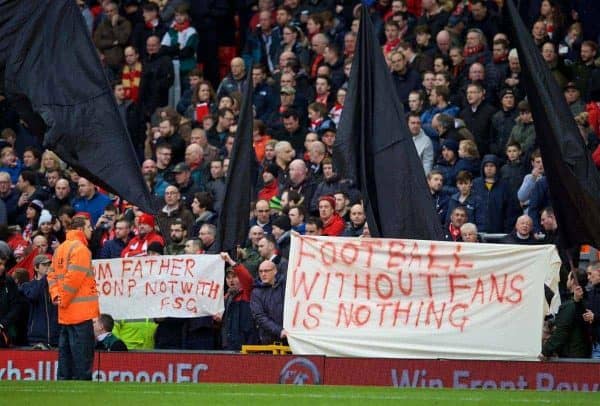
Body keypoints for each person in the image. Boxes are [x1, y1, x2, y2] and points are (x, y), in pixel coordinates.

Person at [48, 216, 99, 380]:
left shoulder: (60, 249)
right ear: (81, 229)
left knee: (65, 359)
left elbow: (51, 275)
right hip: (80, 315)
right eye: (89, 227)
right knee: (82, 361)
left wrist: (56, 296)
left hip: (65, 315)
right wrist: (63, 298)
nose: (91, 230)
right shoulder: (81, 249)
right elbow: (73, 279)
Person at [541, 269, 590, 359]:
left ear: (572, 281)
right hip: (584, 354)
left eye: (568, 278)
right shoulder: (587, 301)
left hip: (572, 356)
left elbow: (561, 331)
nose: (566, 281)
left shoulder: (570, 305)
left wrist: (545, 351)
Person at [19, 254, 59, 348]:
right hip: (36, 337)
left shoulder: (55, 285)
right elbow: (33, 296)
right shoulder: (27, 285)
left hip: (56, 337)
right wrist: (45, 278)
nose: (48, 267)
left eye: (49, 265)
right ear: (36, 268)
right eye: (44, 265)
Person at [219, 252, 256, 350]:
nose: (231, 281)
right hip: (227, 344)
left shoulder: (247, 293)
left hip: (244, 346)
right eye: (228, 278)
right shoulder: (225, 297)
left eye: (234, 277)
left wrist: (230, 261)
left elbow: (247, 278)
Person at [250, 260, 287, 345]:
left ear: (275, 271)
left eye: (266, 271)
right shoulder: (256, 292)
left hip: (289, 337)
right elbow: (259, 316)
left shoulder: (285, 285)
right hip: (268, 340)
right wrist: (279, 331)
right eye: (261, 271)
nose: (263, 274)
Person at [0, 252, 22, 347]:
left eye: (3, 264)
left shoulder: (9, 281)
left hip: (5, 331)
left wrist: (3, 324)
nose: (2, 267)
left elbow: (16, 306)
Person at [584, 262, 600, 359]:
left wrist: (595, 317)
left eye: (590, 274)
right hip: (594, 343)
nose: (588, 278)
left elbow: (594, 315)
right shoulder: (591, 292)